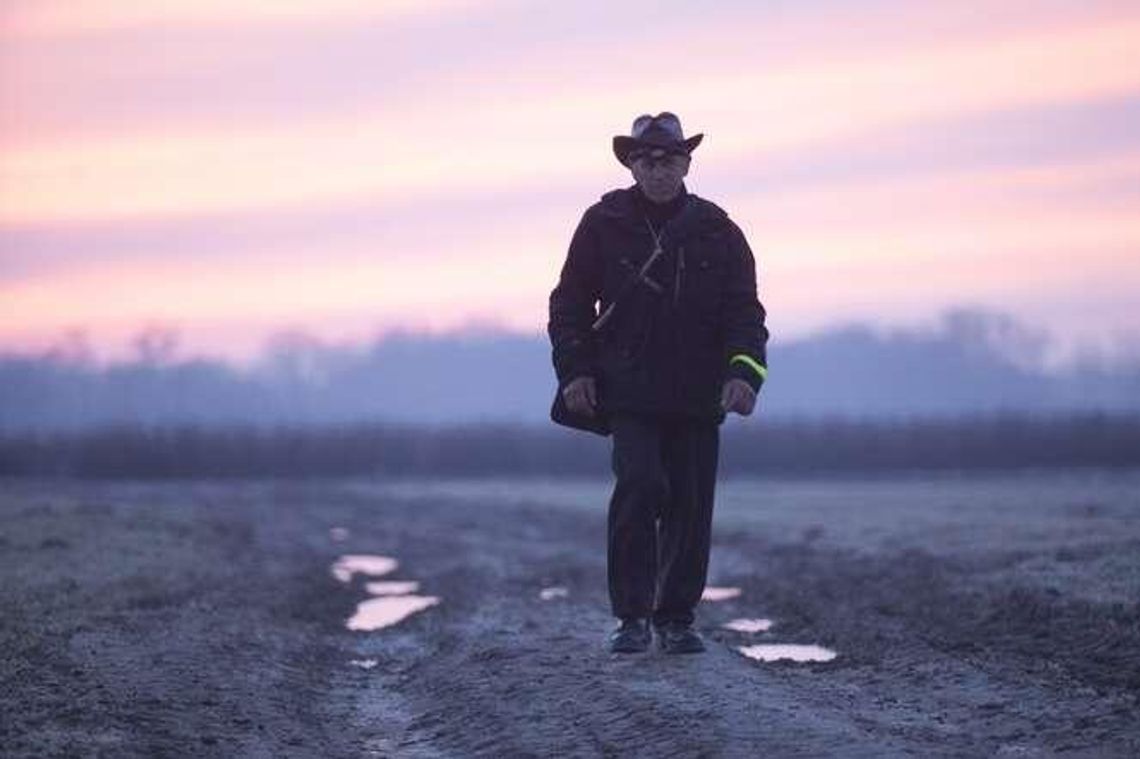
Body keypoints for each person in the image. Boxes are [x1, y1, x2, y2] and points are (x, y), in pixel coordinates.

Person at [548, 112, 769, 654]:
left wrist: (745, 374)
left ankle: (676, 619)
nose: (658, 168)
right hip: (629, 391)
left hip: (698, 395)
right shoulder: (602, 223)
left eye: (669, 158)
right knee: (640, 487)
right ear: (631, 164)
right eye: (647, 159)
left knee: (691, 507)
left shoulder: (720, 229)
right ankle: (631, 618)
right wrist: (575, 371)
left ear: (687, 162)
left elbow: (745, 313)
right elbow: (569, 304)